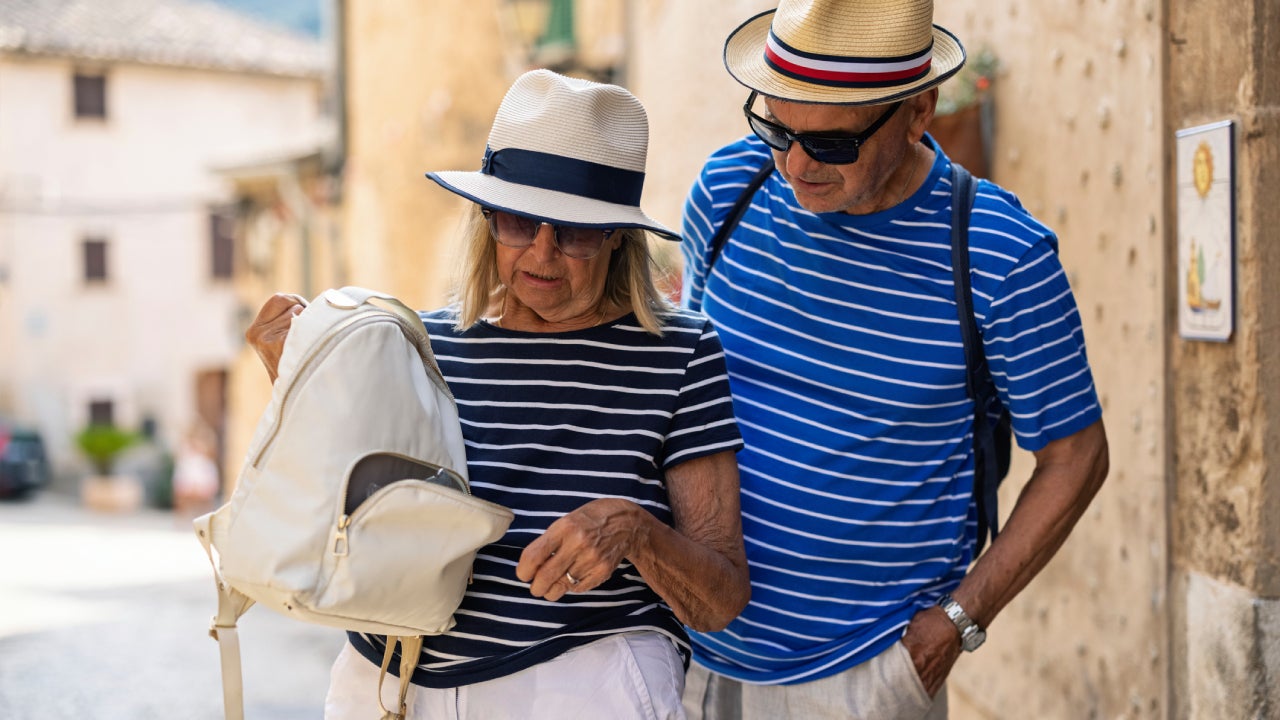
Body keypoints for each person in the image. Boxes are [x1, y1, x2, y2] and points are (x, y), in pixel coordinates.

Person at [246, 69, 750, 719]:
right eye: (518, 220)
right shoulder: (419, 347)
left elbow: (721, 598)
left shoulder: (680, 355)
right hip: (387, 685)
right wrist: (295, 383)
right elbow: (338, 518)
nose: (542, 252)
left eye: (573, 230)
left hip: (583, 687)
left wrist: (635, 533)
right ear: (486, 217)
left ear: (615, 235)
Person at [678, 1, 1110, 718]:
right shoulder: (728, 190)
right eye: (775, 128)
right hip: (689, 656)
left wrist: (958, 624)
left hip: (865, 678)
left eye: (832, 145)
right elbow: (690, 395)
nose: (795, 164)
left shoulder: (1000, 255)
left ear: (919, 112)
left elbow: (1077, 457)